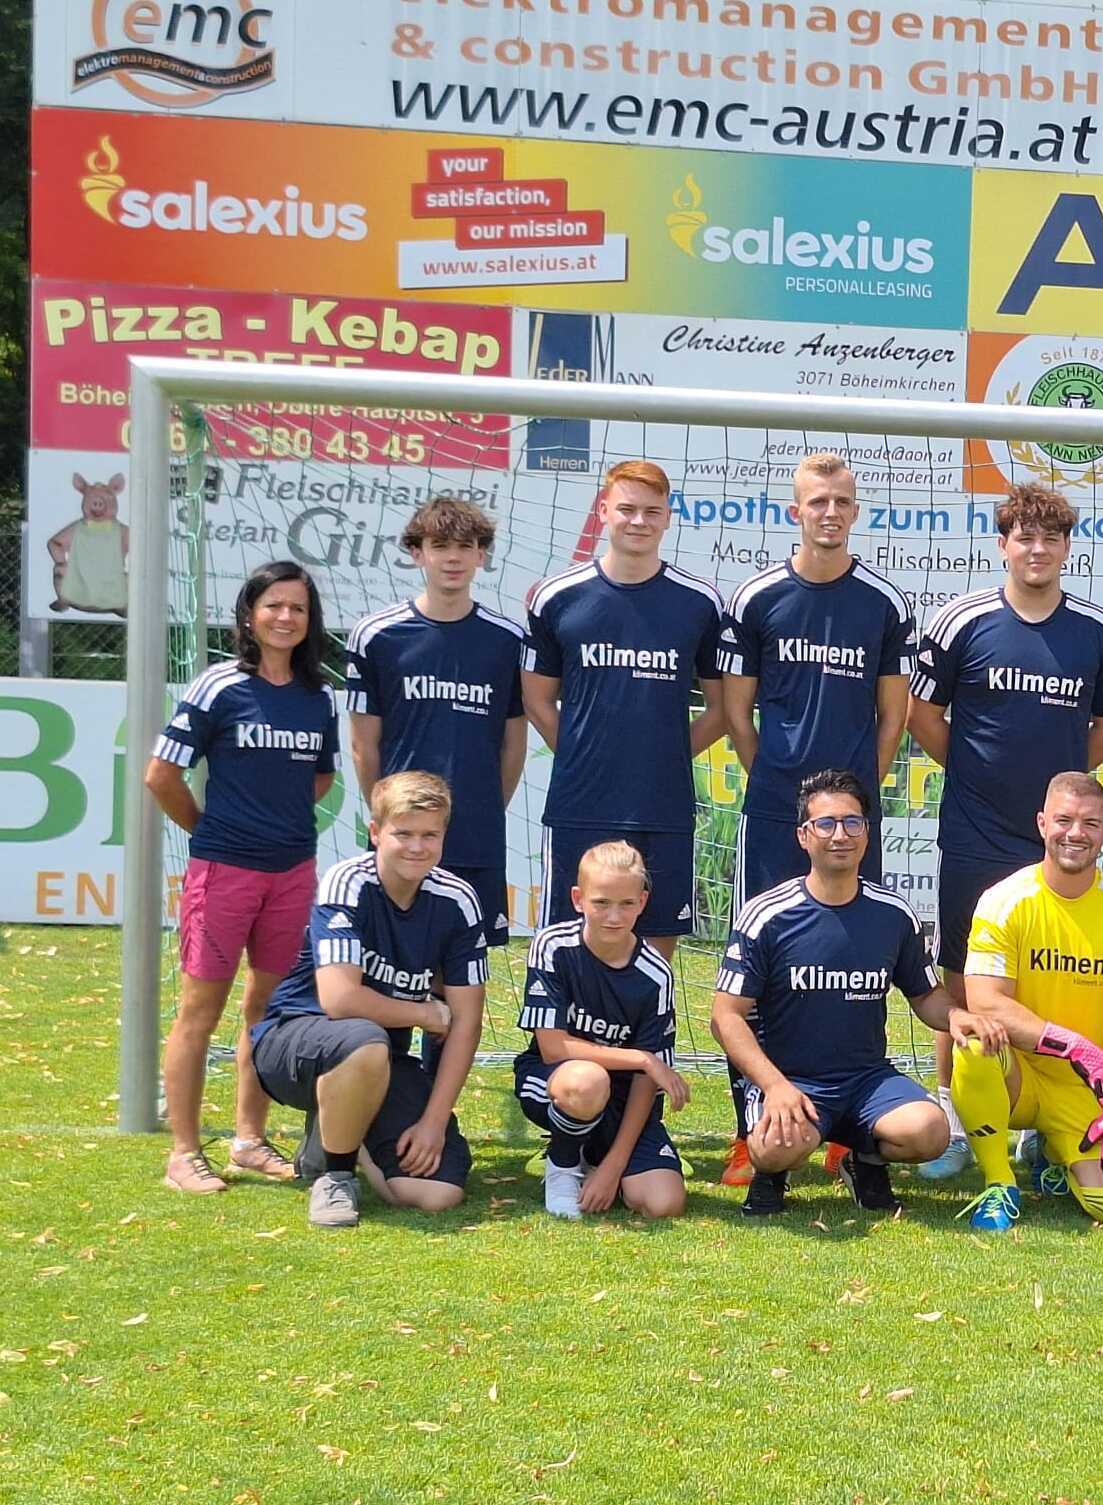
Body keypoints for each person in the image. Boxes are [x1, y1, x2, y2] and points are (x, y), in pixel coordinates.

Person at [908, 485, 1103, 1179]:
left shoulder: (1096, 631)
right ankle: (953, 1118)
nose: (1037, 550)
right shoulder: (961, 620)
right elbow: (923, 715)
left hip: (1052, 842)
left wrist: (1057, 795)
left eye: (1051, 538)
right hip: (975, 835)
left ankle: (1042, 1122)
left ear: (1067, 549)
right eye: (1024, 537)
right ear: (1002, 543)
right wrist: (977, 774)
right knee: (963, 979)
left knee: (1044, 985)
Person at [716, 452, 914, 1187]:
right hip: (775, 812)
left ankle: (844, 1126)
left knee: (847, 961)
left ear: (856, 511)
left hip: (850, 820)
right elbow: (738, 710)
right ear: (794, 511)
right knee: (758, 973)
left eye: (843, 501)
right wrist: (779, 785)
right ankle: (754, 1131)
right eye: (817, 501)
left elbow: (893, 714)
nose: (830, 512)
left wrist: (855, 799)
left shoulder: (884, 604)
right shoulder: (758, 598)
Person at [710, 770, 1004, 1217]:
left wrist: (956, 1016)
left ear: (867, 834)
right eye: (825, 824)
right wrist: (775, 1087)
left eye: (852, 823)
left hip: (867, 1080)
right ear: (803, 836)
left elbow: (926, 996)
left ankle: (863, 1160)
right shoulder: (767, 915)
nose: (840, 835)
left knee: (930, 1132)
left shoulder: (893, 913)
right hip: (793, 1078)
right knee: (776, 1147)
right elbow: (725, 1016)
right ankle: (773, 1174)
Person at [146, 561, 339, 1193]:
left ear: (310, 622)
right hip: (224, 869)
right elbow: (161, 776)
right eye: (273, 606)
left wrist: (277, 820)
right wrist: (210, 832)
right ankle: (182, 1152)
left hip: (292, 873)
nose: (286, 618)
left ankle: (248, 1141)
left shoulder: (318, 697)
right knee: (200, 1011)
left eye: (299, 609)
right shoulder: (217, 687)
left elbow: (319, 778)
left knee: (267, 1009)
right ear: (249, 615)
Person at [249, 773, 487, 1228]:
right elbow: (339, 1000)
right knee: (363, 1039)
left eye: (429, 835)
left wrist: (433, 1122)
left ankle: (347, 1132)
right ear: (375, 833)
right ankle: (335, 1177)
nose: (417, 847)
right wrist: (422, 1013)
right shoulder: (347, 883)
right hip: (292, 1043)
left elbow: (467, 1021)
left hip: (376, 1058)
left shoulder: (458, 901)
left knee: (437, 1192)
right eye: (403, 833)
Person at [950, 772, 1103, 1231]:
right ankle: (998, 1182)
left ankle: (1054, 1150)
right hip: (1019, 1073)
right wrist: (1071, 1045)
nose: (1075, 834)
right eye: (1063, 820)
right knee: (973, 1045)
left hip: (1086, 1088)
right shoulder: (1004, 900)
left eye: (1090, 823)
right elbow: (985, 1001)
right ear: (1041, 824)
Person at [523, 458, 726, 955]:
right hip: (581, 804)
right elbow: (536, 697)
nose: (639, 521)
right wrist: (579, 752)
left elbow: (721, 709)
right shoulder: (557, 597)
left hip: (663, 804)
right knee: (567, 941)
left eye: (651, 511)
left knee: (656, 943)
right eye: (628, 509)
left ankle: (647, 1036)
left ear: (668, 517)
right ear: (604, 510)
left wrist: (669, 755)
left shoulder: (699, 603)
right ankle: (558, 1036)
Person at [346, 495, 528, 952]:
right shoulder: (377, 636)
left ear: (481, 556)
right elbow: (364, 747)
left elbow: (513, 745)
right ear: (417, 553)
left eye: (466, 546)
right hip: (403, 835)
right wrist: (390, 815)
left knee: (464, 974)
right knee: (390, 967)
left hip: (475, 833)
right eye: (440, 544)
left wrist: (484, 807)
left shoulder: (507, 640)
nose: (453, 557)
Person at [516, 840, 689, 1221]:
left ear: (642, 903)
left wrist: (614, 1168)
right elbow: (553, 1048)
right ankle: (562, 1165)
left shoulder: (655, 973)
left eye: (626, 904)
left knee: (664, 1203)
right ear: (578, 899)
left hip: (623, 1101)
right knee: (586, 1080)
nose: (613, 916)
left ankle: (595, 1161)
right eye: (601, 903)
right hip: (558, 1082)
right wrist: (641, 1058)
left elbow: (646, 1083)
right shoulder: (553, 947)